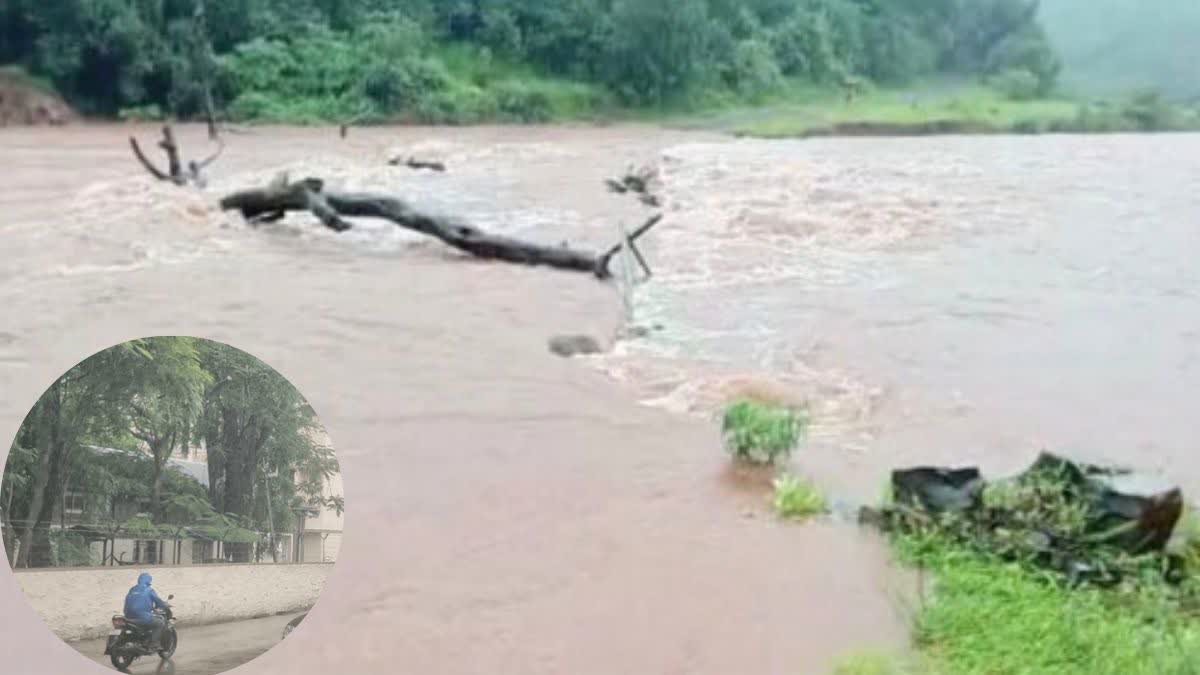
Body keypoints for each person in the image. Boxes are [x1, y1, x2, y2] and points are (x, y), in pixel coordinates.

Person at [123, 572, 169, 650]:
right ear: (149, 581)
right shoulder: (149, 590)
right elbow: (158, 601)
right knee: (160, 623)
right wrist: (164, 605)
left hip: (128, 616)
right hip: (142, 617)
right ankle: (154, 644)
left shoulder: (132, 589)